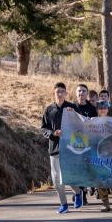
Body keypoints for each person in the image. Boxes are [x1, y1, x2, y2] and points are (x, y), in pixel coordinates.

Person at [40, 82, 82, 214]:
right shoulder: (49, 110)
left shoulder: (71, 107)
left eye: (62, 91)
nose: (60, 94)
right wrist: (53, 133)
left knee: (66, 176)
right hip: (54, 148)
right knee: (56, 179)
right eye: (58, 91)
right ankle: (64, 204)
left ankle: (78, 192)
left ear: (66, 93)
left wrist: (74, 115)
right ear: (54, 93)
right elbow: (43, 129)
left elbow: (81, 125)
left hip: (69, 148)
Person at [73, 84, 97, 205]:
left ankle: (91, 186)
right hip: (76, 142)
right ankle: (82, 193)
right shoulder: (71, 107)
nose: (81, 93)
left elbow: (97, 125)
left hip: (89, 142)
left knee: (88, 168)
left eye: (83, 91)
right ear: (75, 93)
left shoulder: (92, 108)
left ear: (87, 94)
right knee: (78, 168)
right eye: (79, 91)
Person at [95, 100, 112, 212]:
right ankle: (105, 203)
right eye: (100, 108)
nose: (102, 110)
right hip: (98, 155)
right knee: (100, 180)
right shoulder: (92, 122)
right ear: (98, 109)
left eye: (105, 108)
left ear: (108, 109)